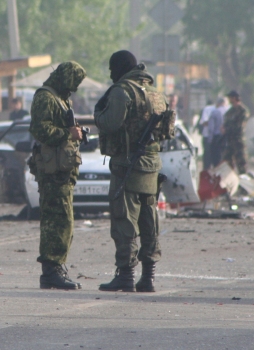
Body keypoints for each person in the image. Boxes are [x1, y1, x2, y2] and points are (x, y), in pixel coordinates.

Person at [94, 50, 169, 293]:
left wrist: (98, 113)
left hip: (127, 165)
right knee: (149, 221)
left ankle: (125, 275)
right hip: (151, 166)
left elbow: (110, 122)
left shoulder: (122, 91)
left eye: (111, 68)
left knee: (123, 219)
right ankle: (148, 276)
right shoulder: (155, 93)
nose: (110, 74)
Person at [28, 61, 86, 290]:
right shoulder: (45, 97)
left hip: (63, 169)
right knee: (55, 220)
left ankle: (58, 265)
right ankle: (51, 270)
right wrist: (67, 134)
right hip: (52, 170)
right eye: (73, 82)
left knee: (65, 221)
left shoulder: (62, 99)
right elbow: (40, 129)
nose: (74, 88)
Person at [221, 90, 249, 174]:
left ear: (234, 98)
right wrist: (223, 128)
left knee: (241, 162)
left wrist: (227, 129)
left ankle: (243, 179)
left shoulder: (243, 111)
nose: (229, 99)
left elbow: (239, 126)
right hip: (229, 140)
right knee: (226, 162)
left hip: (238, 140)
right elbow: (226, 122)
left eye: (230, 97)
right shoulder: (230, 111)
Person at [206, 97, 226, 168]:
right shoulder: (228, 111)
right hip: (226, 137)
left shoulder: (215, 112)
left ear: (218, 103)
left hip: (217, 137)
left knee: (216, 158)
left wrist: (210, 140)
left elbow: (211, 128)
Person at [199, 100, 216, 170]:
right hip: (211, 136)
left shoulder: (207, 109)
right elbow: (203, 122)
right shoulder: (211, 109)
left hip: (212, 136)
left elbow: (203, 122)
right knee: (210, 157)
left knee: (210, 157)